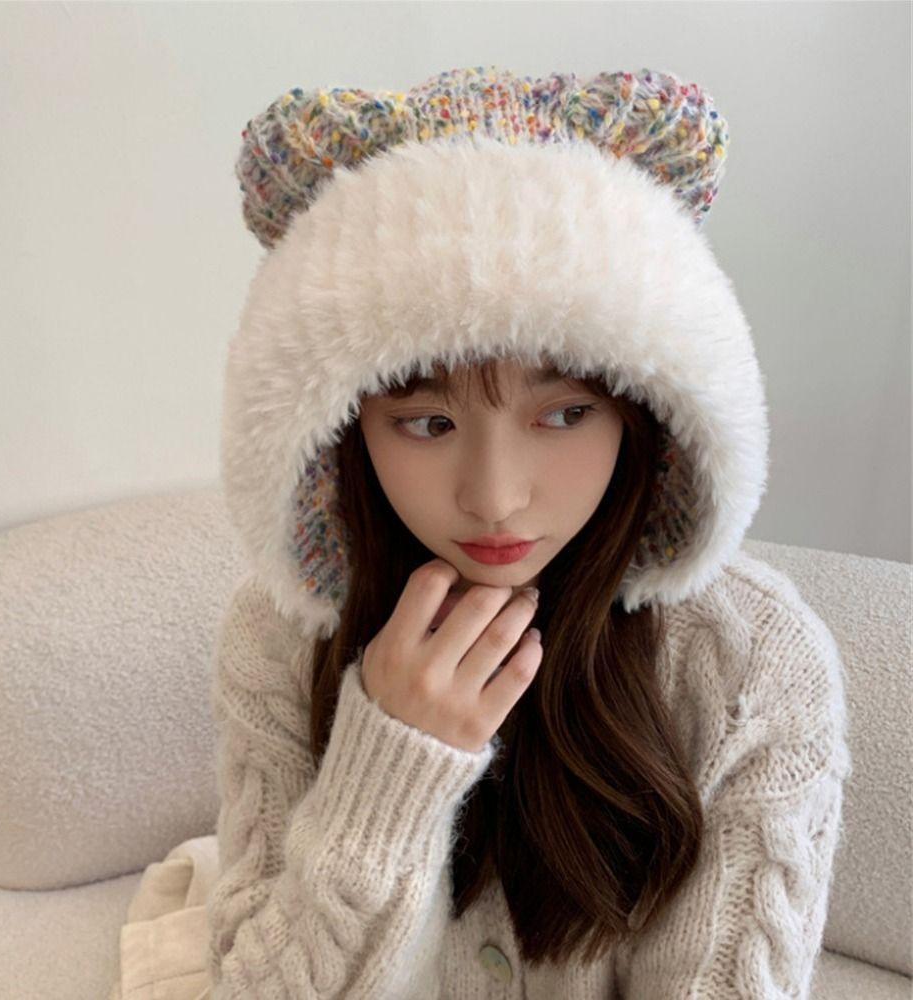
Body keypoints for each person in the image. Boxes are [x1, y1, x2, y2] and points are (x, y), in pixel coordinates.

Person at [208, 66, 853, 999]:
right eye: (426, 422)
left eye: (565, 414)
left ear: (646, 415)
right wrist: (384, 770)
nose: (495, 499)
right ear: (343, 432)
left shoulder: (752, 664)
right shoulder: (277, 639)